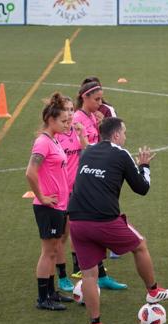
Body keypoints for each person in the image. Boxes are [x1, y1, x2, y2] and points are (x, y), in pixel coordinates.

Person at [67, 117, 168, 324]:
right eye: (124, 132)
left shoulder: (87, 151)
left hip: (76, 220)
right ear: (116, 135)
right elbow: (142, 188)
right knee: (140, 245)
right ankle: (153, 291)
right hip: (104, 220)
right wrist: (144, 165)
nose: (125, 136)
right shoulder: (121, 153)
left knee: (89, 274)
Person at [71, 81, 126, 289]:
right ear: (84, 98)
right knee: (90, 225)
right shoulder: (77, 119)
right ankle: (86, 271)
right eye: (97, 99)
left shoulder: (93, 116)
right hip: (83, 179)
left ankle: (101, 275)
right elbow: (84, 150)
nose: (100, 103)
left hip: (95, 177)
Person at [26, 92, 74, 311]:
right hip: (48, 206)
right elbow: (30, 172)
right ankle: (42, 298)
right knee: (48, 252)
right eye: (63, 121)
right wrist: (42, 196)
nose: (67, 124)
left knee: (54, 250)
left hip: (59, 205)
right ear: (50, 120)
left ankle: (52, 293)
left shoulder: (53, 140)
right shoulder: (42, 142)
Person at [54, 96, 87, 292]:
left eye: (71, 109)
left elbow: (87, 151)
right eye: (66, 110)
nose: (70, 114)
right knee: (61, 237)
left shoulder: (76, 131)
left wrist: (82, 135)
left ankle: (77, 268)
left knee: (76, 229)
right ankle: (62, 276)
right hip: (60, 193)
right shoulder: (55, 136)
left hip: (75, 191)